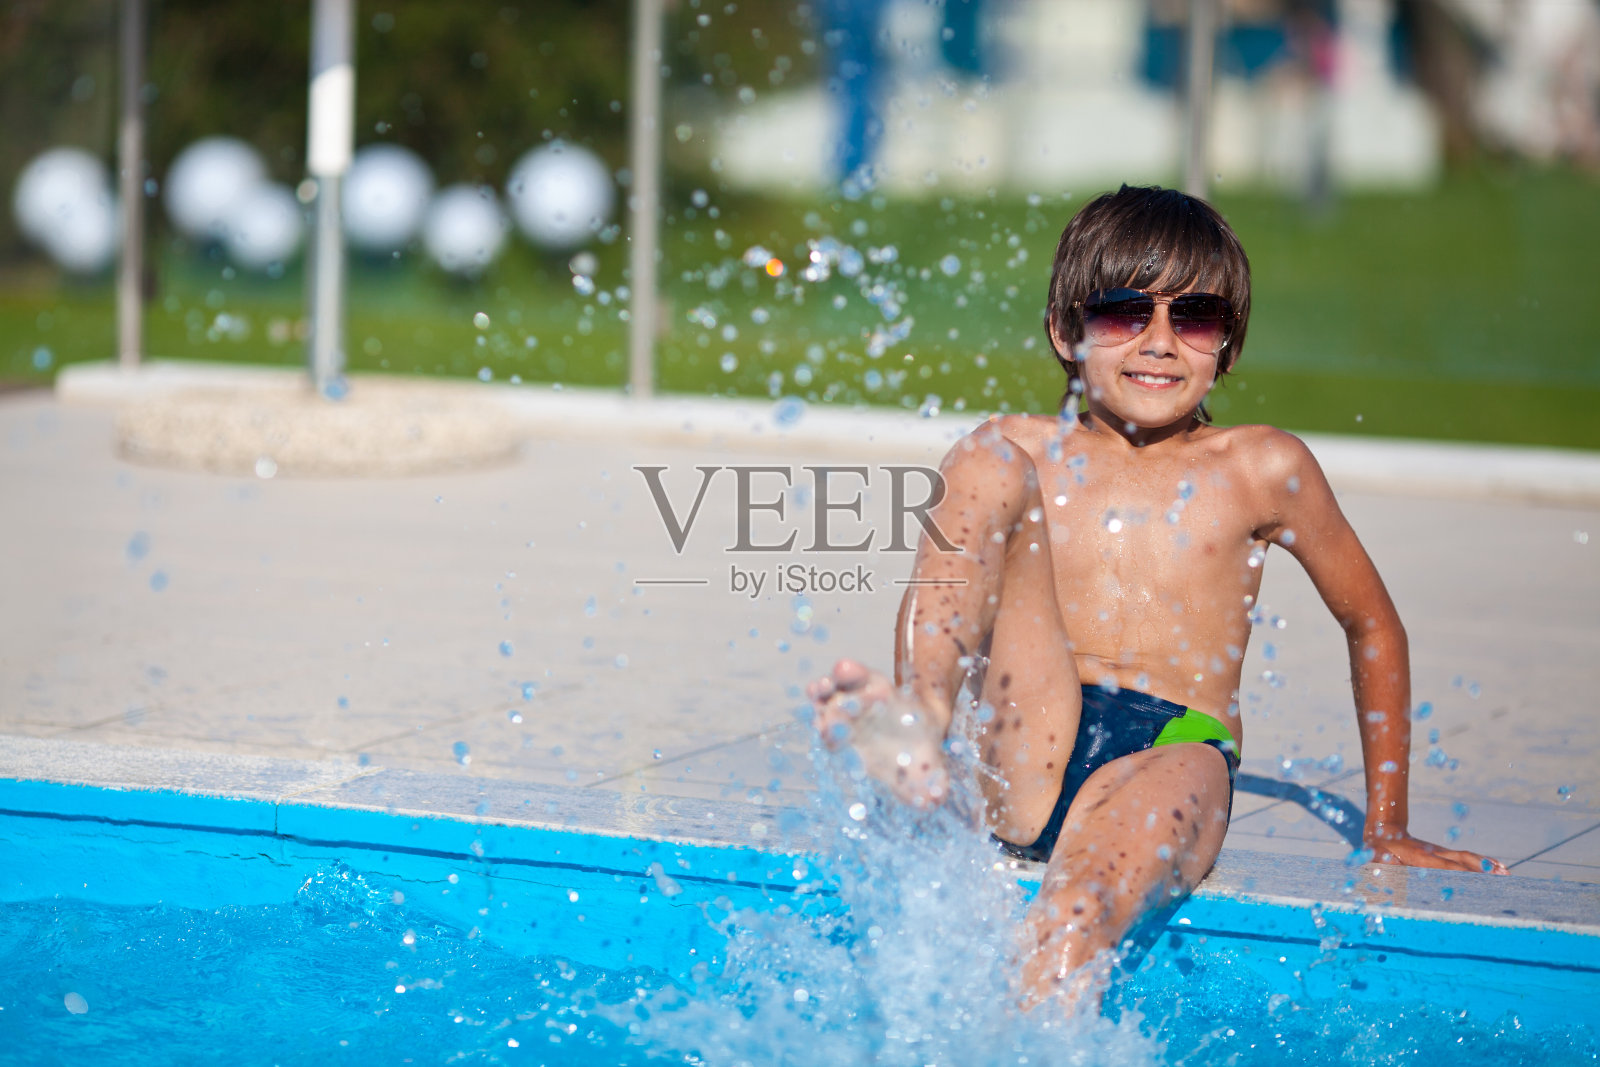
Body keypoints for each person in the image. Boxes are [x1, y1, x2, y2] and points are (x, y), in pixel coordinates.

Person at [806, 184, 1506, 1010]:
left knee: (1070, 919)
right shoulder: (1028, 450)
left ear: (1229, 346)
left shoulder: (1258, 466)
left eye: (1195, 317)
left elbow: (1372, 624)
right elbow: (950, 578)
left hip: (1174, 746)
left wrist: (1385, 822)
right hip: (1034, 726)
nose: (1160, 342)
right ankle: (919, 718)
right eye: (1121, 313)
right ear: (1066, 331)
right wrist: (934, 699)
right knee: (989, 456)